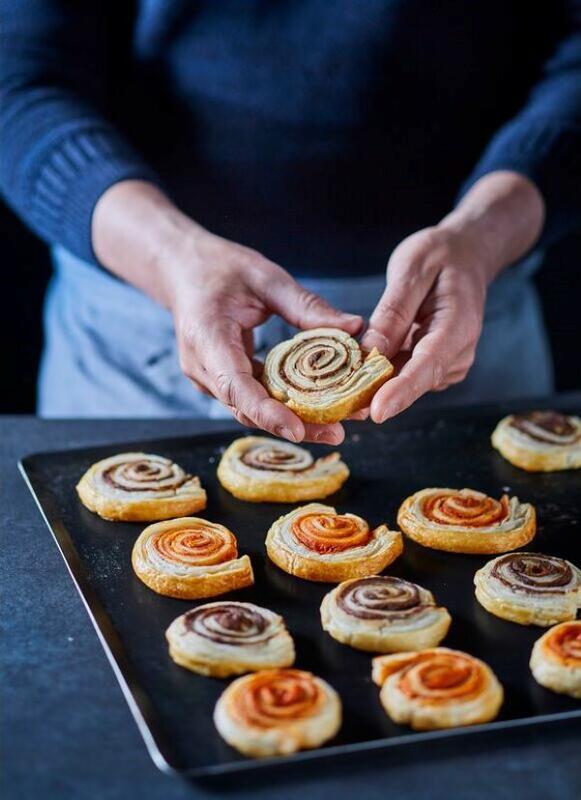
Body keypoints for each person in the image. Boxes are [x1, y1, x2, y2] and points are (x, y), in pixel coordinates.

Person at [1, 2, 580, 445]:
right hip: (140, 322)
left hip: (459, 317)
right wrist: (167, 255)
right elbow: (16, 79)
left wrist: (484, 232)